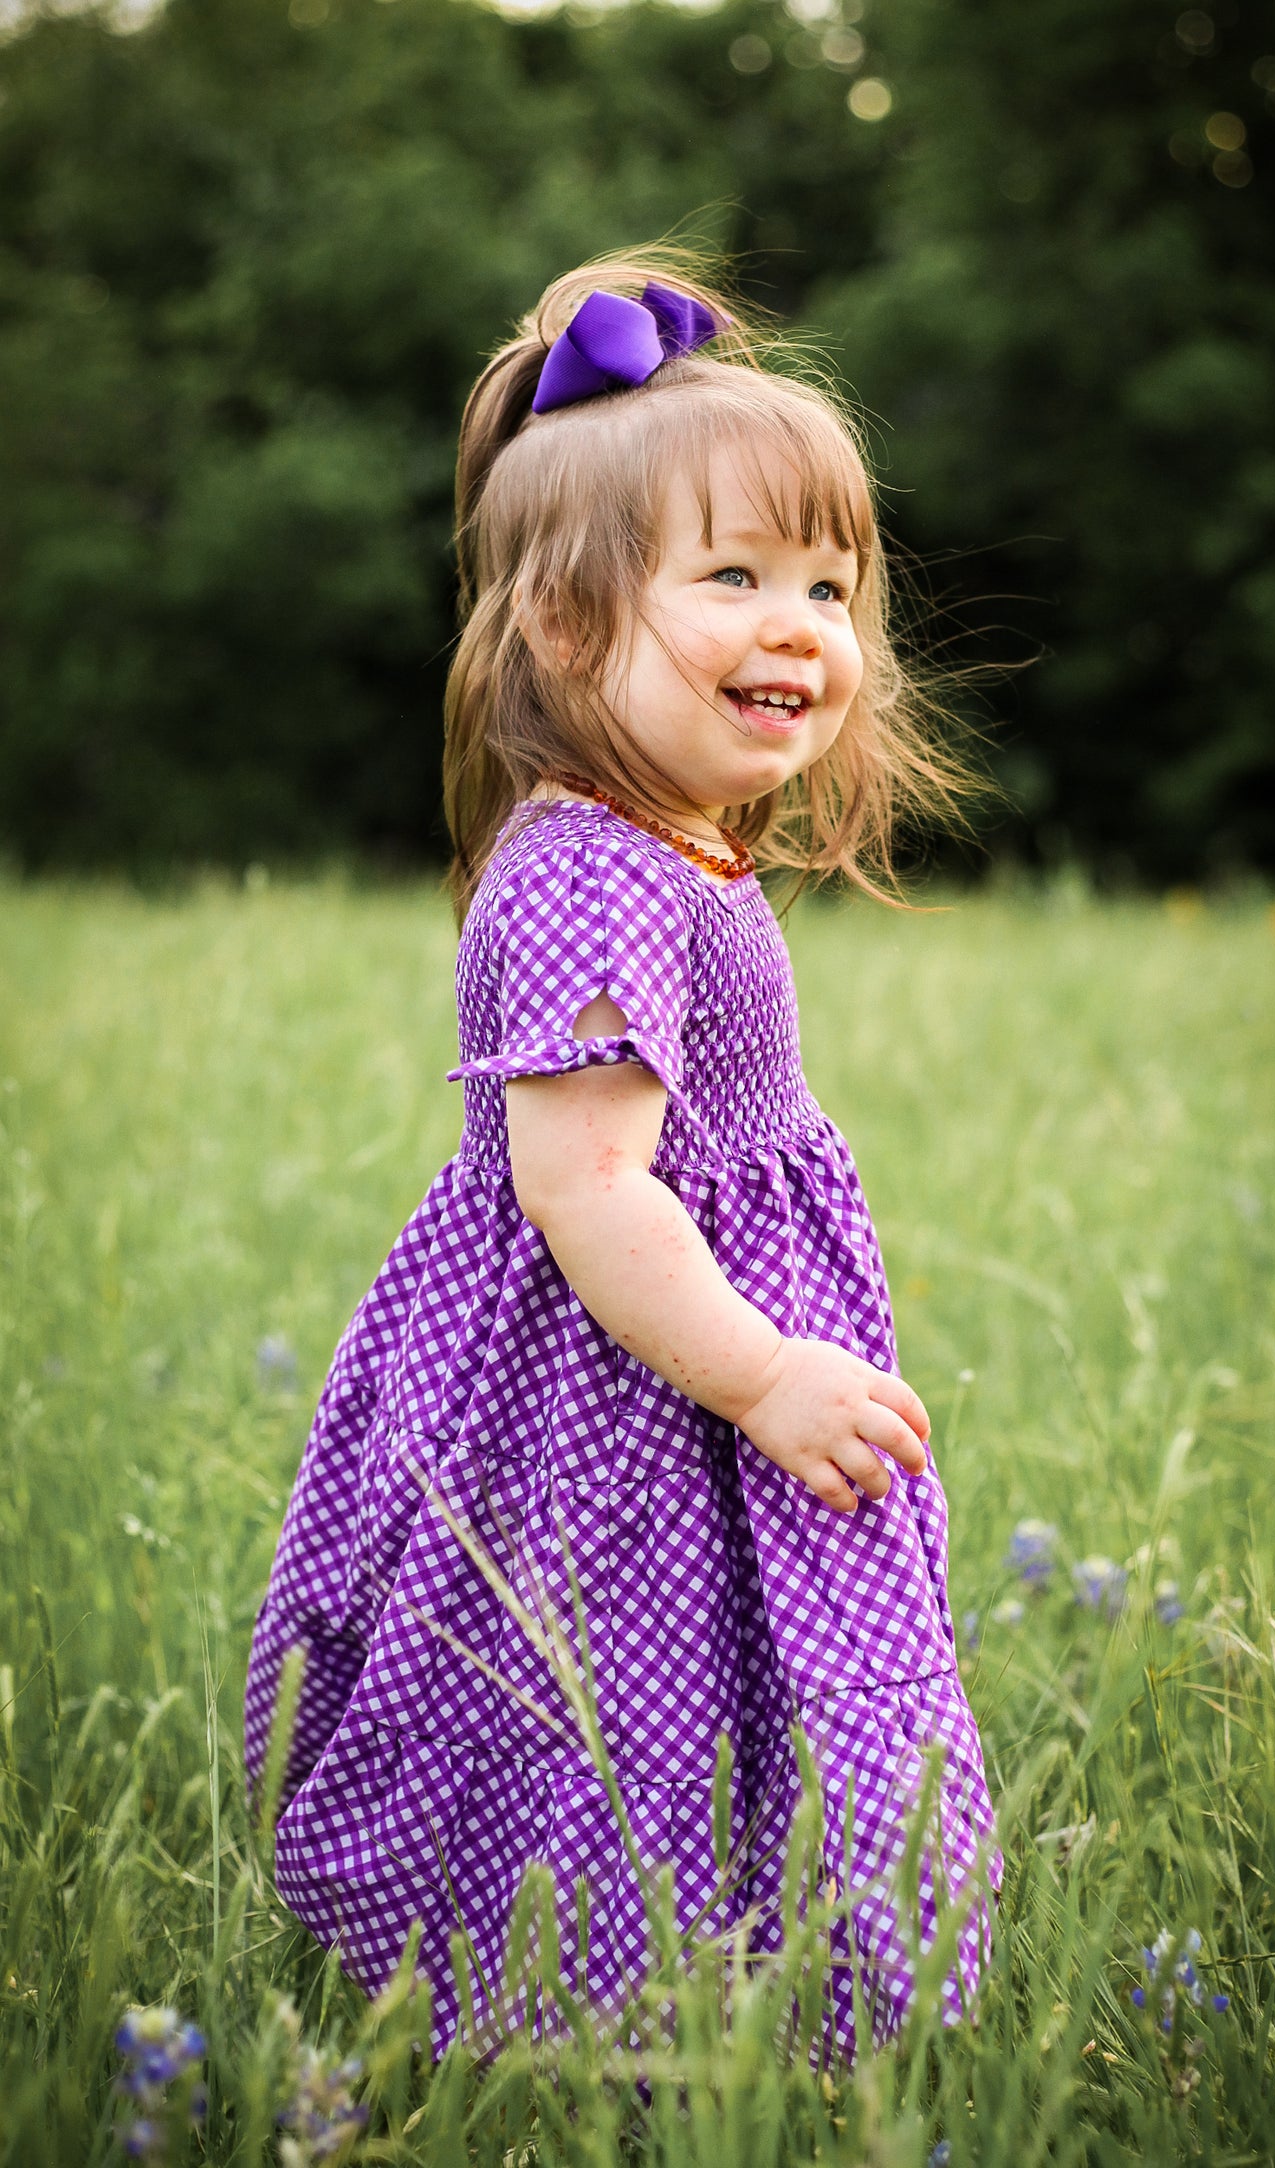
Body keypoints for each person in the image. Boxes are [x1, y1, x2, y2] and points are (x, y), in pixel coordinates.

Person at [244, 251, 1002, 2060]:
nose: (803, 624)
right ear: (568, 632)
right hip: (629, 1380)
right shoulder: (591, 867)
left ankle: (715, 1993)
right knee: (610, 1688)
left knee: (699, 1681)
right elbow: (582, 1186)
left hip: (674, 1354)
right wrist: (758, 1374)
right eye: (733, 578)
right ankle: (584, 2011)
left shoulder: (666, 844)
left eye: (829, 581)